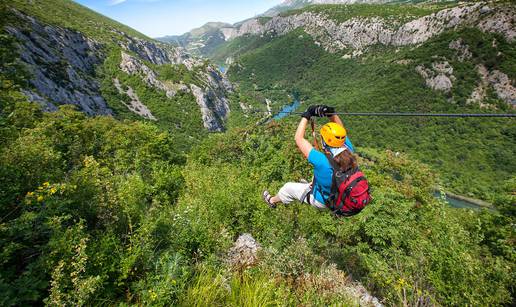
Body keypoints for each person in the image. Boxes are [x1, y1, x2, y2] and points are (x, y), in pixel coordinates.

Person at [262, 105, 357, 210]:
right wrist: (331, 114)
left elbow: (298, 138)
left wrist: (307, 114)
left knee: (287, 188)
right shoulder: (349, 151)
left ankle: (271, 200)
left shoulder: (321, 160)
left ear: (324, 141)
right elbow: (341, 131)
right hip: (345, 195)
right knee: (321, 177)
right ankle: (314, 184)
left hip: (324, 200)